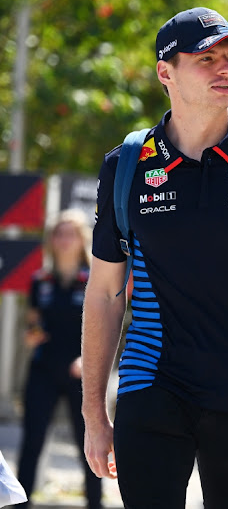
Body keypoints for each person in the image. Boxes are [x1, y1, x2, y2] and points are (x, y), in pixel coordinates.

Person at [81, 7, 228, 509]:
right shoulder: (127, 164)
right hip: (152, 383)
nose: (226, 69)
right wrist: (93, 415)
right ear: (165, 73)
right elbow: (105, 292)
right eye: (207, 58)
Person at [16, 209, 101, 509]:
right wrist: (32, 334)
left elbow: (105, 328)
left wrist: (87, 360)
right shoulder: (40, 280)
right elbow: (32, 325)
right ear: (51, 240)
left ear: (82, 240)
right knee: (31, 442)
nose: (65, 240)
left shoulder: (93, 279)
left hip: (81, 372)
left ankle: (95, 503)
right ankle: (20, 502)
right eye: (59, 234)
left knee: (90, 444)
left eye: (71, 234)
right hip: (43, 369)